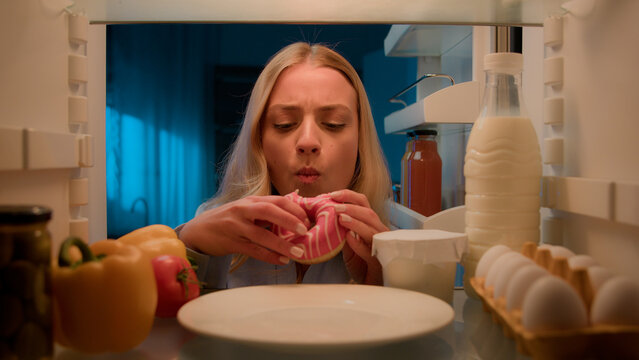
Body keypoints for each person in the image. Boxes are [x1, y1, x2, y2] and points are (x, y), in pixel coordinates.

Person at [177, 42, 392, 290]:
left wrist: (381, 283)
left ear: (360, 141)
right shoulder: (215, 226)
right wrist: (189, 246)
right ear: (259, 139)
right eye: (284, 123)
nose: (308, 142)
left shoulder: (386, 245)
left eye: (333, 123)